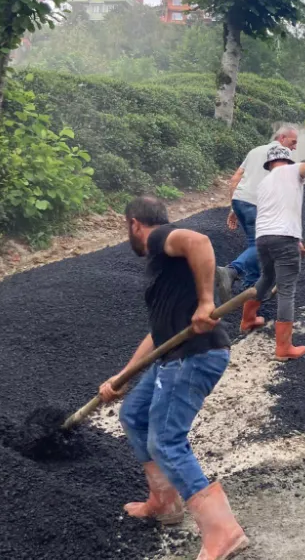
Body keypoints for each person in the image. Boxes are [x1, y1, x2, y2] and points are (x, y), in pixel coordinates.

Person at [99, 196, 248, 560]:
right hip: (172, 356)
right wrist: (122, 377)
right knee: (134, 415)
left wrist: (204, 303)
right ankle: (164, 503)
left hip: (195, 356)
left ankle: (222, 531)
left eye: (127, 228)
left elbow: (199, 241)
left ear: (134, 224)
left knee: (165, 440)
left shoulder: (157, 239)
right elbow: (157, 335)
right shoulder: (165, 268)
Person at [240, 143, 305, 355]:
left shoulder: (264, 183)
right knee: (286, 289)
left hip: (263, 238)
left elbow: (273, 214)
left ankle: (248, 319)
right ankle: (283, 347)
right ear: (288, 160)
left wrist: (297, 243)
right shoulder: (292, 171)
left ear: (269, 164)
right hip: (283, 238)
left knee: (266, 278)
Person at [216, 125, 300, 302]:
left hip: (240, 201)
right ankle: (231, 271)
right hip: (259, 204)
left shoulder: (255, 151)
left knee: (255, 244)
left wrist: (233, 208)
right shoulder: (283, 153)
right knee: (261, 246)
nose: (294, 147)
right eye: (293, 142)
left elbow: (235, 179)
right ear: (282, 138)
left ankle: (251, 287)